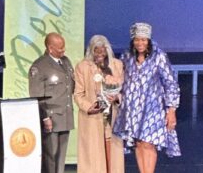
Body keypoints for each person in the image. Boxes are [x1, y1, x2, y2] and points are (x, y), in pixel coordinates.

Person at [113, 23, 181, 173]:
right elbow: (121, 78)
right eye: (137, 40)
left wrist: (171, 110)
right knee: (138, 142)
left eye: (143, 40)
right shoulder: (127, 56)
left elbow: (171, 83)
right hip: (132, 108)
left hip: (152, 108)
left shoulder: (159, 57)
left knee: (148, 142)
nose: (140, 43)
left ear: (149, 40)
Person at [74, 35, 125, 173]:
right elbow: (78, 94)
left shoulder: (117, 65)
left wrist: (116, 97)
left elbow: (124, 91)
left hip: (112, 118)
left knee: (113, 154)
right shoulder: (82, 67)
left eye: (103, 51)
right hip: (92, 118)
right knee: (93, 156)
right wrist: (89, 107)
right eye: (97, 51)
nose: (100, 55)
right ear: (91, 51)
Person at [28, 32, 75, 173]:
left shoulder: (66, 61)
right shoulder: (40, 66)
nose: (63, 50)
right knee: (50, 154)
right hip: (51, 118)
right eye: (60, 48)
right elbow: (36, 95)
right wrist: (45, 117)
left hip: (65, 116)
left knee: (61, 155)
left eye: (64, 47)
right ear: (50, 48)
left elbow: (70, 86)